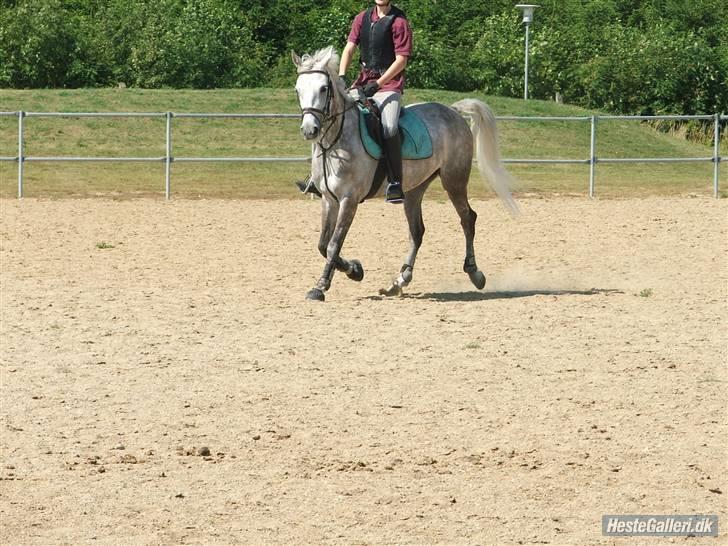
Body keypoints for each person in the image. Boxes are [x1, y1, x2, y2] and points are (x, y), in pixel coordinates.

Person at [296, 0, 413, 204]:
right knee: (329, 117)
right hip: (362, 83)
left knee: (389, 127)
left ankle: (395, 182)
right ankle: (316, 177)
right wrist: (341, 76)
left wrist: (378, 84)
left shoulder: (399, 22)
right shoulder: (362, 18)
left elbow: (401, 60)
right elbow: (349, 48)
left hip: (389, 86)